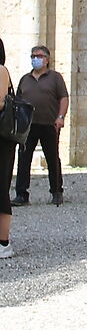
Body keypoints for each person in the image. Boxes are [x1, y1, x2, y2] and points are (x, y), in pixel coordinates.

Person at [15, 44, 68, 207]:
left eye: (39, 56)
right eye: (33, 56)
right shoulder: (25, 79)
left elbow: (64, 98)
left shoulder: (55, 77)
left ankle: (56, 191)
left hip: (49, 124)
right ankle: (21, 194)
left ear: (47, 59)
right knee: (24, 159)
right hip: (28, 125)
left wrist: (60, 117)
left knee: (52, 158)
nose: (35, 59)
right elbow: (18, 101)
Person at [0, 41, 15, 259]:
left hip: (2, 137)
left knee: (1, 187)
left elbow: (1, 102)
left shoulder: (0, 70)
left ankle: (3, 243)